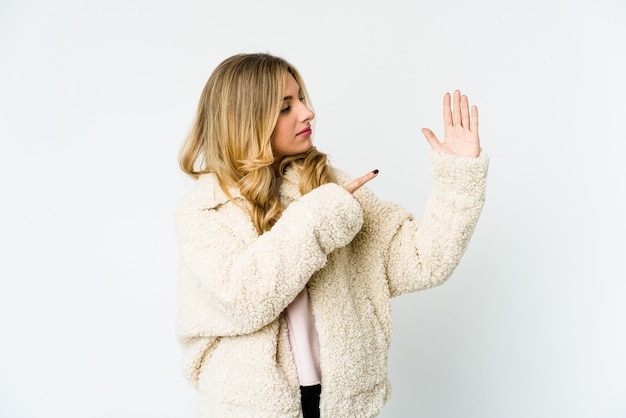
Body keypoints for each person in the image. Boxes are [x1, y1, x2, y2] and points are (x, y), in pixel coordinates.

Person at [175, 53, 488, 418]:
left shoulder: (328, 186)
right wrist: (319, 214)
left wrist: (459, 176)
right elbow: (246, 299)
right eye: (285, 107)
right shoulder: (206, 210)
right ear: (246, 120)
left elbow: (423, 262)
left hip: (342, 405)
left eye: (302, 99)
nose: (307, 113)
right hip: (247, 408)